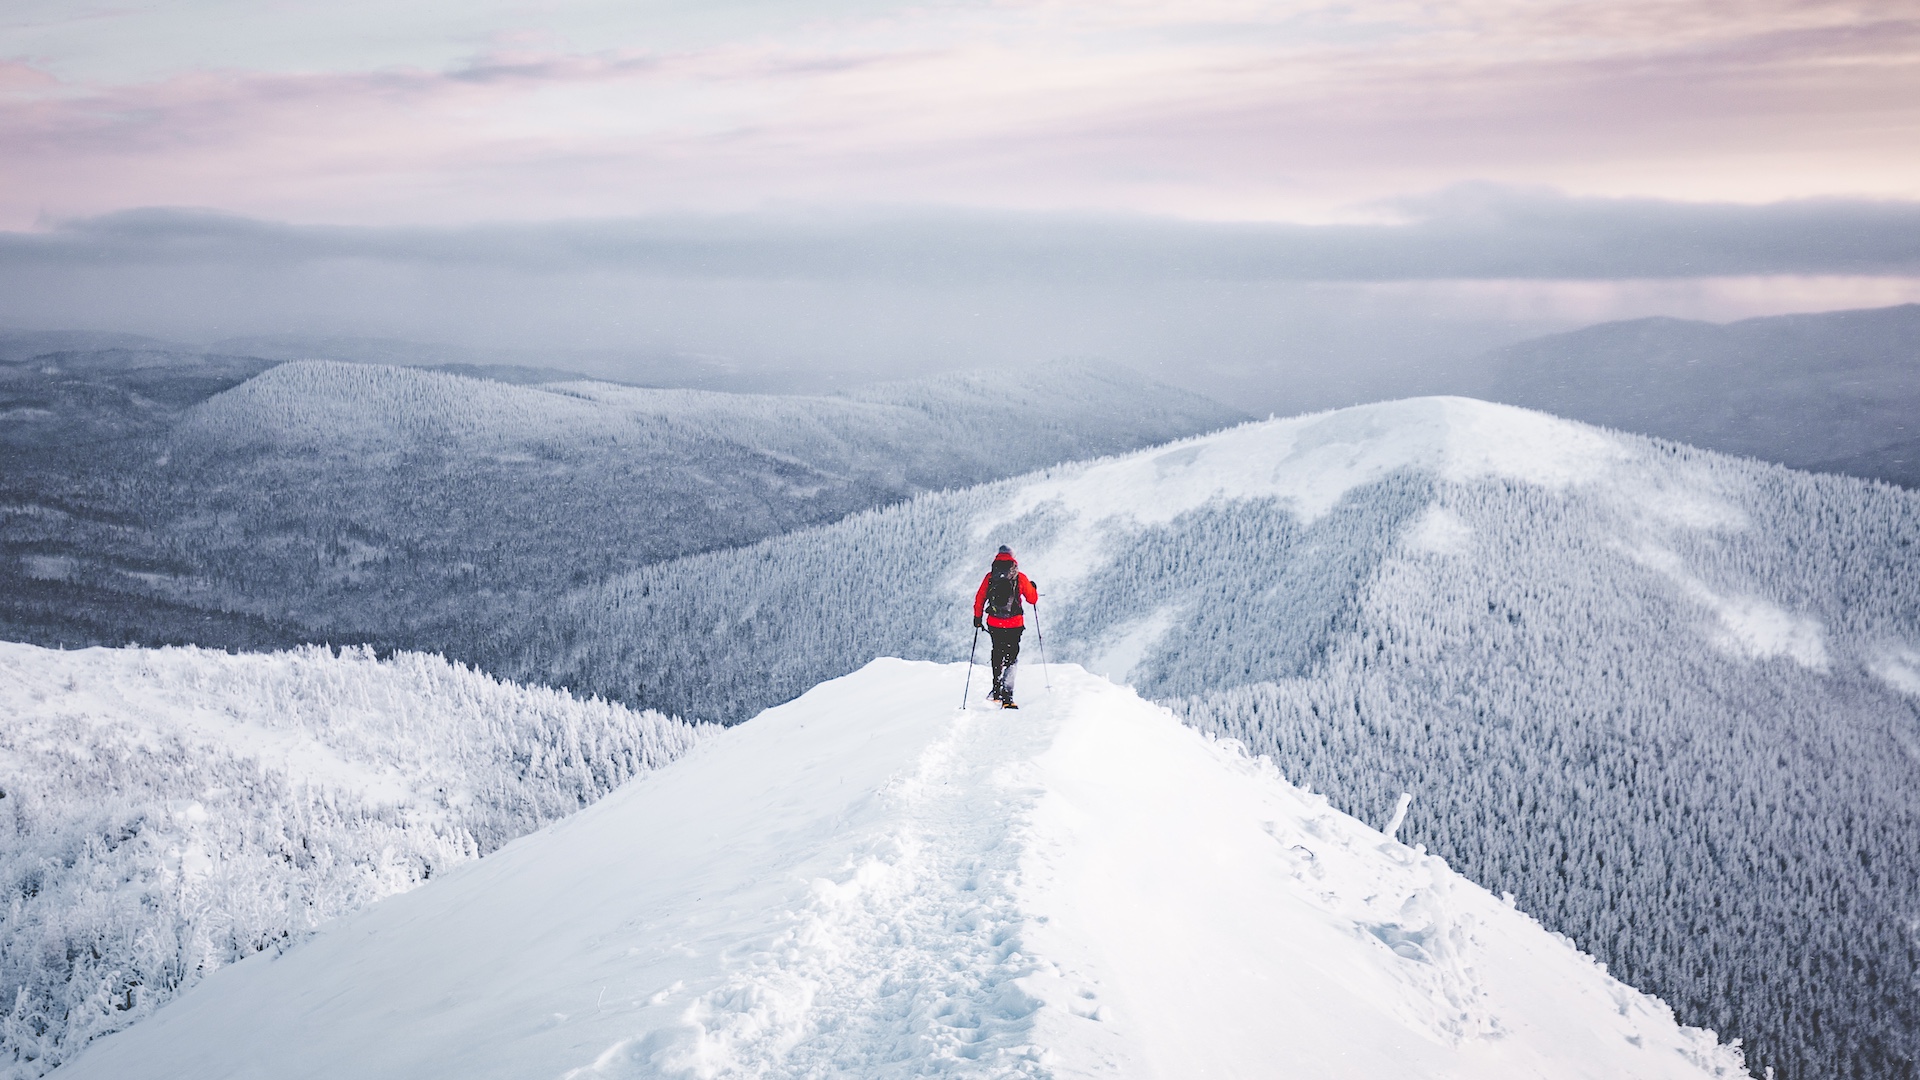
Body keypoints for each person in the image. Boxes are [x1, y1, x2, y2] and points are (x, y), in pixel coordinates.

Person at [972, 545, 1038, 709]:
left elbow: (980, 598)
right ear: (1013, 558)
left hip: (994, 622)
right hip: (1015, 623)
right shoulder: (1019, 577)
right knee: (1011, 657)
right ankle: (1008, 696)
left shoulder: (990, 577)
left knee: (997, 651)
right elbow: (1032, 599)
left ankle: (996, 691)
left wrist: (977, 617)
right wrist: (1033, 587)